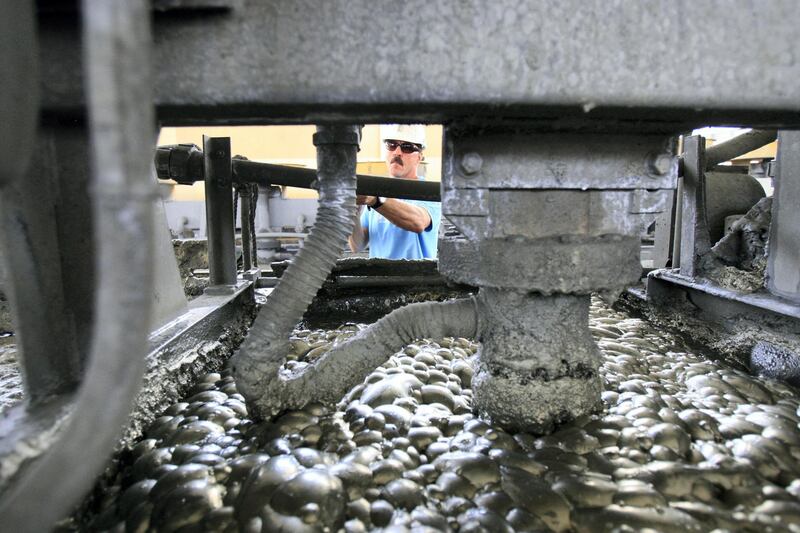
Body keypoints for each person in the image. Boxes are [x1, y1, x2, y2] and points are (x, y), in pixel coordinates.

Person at [349, 125, 441, 259]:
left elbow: (418, 222)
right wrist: (354, 211)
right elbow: (357, 245)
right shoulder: (376, 192)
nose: (397, 152)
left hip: (417, 278)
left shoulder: (429, 192)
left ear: (419, 157)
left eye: (407, 147)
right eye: (391, 145)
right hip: (377, 278)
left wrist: (376, 200)